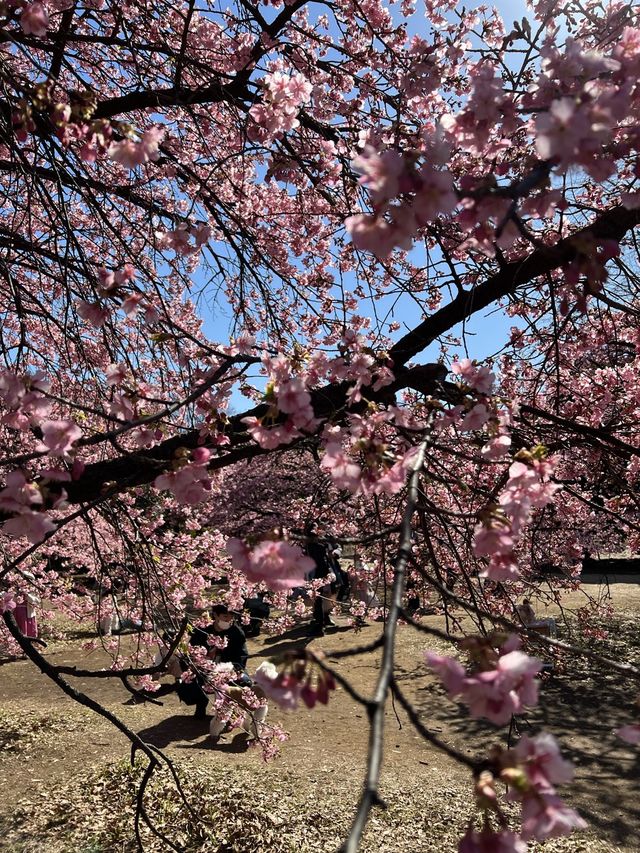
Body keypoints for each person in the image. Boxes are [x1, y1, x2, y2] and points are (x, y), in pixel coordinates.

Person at [178, 604, 250, 718]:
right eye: (225, 616)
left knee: (245, 682)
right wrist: (193, 666)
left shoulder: (236, 633)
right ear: (216, 615)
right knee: (187, 684)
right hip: (203, 668)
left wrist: (233, 671)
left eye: (232, 616)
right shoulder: (203, 629)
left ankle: (232, 709)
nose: (229, 620)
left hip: (227, 668)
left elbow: (241, 656)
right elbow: (190, 651)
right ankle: (201, 702)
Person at [305, 521, 338, 636]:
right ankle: (320, 623)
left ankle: (320, 626)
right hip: (318, 575)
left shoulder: (316, 546)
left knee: (319, 600)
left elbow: (322, 562)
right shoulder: (314, 545)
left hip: (318, 575)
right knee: (319, 600)